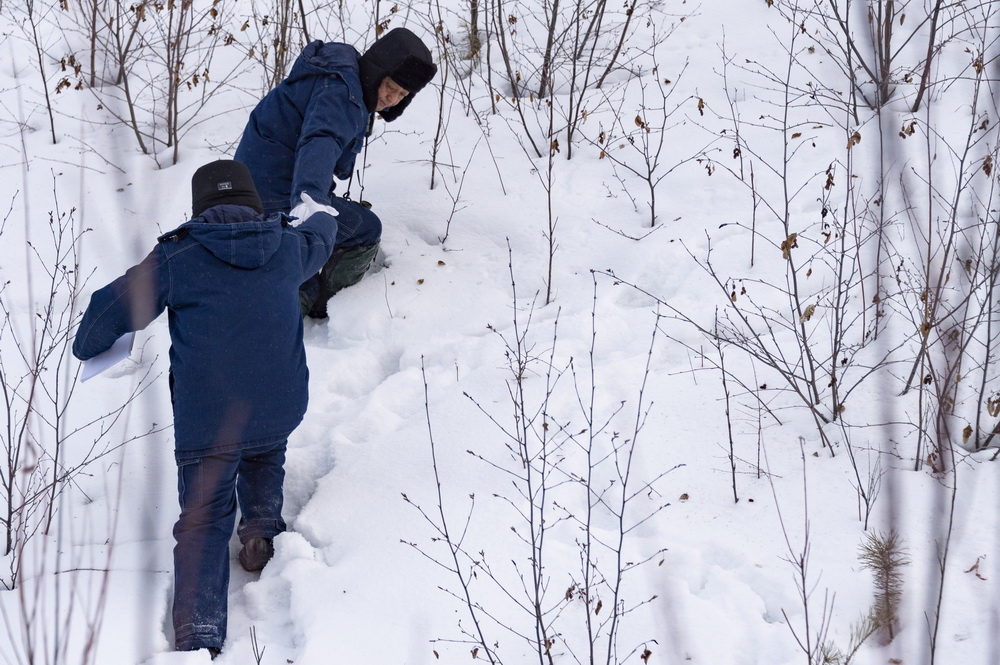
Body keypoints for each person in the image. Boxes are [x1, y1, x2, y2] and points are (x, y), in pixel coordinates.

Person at [72, 160, 338, 658]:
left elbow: (108, 313)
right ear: (255, 203)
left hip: (209, 423)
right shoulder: (288, 245)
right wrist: (319, 210)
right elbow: (322, 234)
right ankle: (261, 527)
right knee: (264, 451)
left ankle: (198, 634)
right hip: (279, 401)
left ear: (199, 209)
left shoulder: (179, 257)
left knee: (204, 519)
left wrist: (89, 344)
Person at [234, 26, 437, 319]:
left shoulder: (340, 75)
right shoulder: (345, 94)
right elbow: (321, 140)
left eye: (402, 94)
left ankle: (294, 277)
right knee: (366, 230)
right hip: (278, 195)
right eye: (391, 87)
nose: (392, 98)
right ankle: (320, 301)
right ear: (378, 72)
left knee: (332, 225)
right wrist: (310, 201)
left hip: (253, 186)